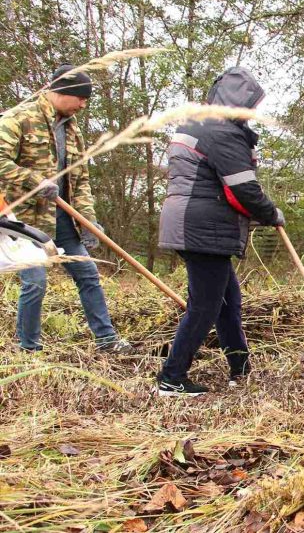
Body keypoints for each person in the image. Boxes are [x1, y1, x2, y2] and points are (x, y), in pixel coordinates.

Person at [156, 67, 285, 397]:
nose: (253, 112)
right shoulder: (221, 131)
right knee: (205, 304)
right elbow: (243, 187)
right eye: (250, 105)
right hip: (201, 227)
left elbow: (215, 182)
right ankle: (172, 377)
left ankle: (240, 367)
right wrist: (271, 214)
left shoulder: (201, 123)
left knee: (228, 300)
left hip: (194, 222)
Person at [0, 65, 132, 353]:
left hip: (64, 221)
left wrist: (89, 221)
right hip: (25, 222)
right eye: (81, 98)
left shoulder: (72, 129)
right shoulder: (18, 119)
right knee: (35, 282)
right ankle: (29, 349)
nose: (84, 105)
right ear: (63, 92)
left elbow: (80, 179)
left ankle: (107, 341)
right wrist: (34, 181)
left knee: (88, 275)